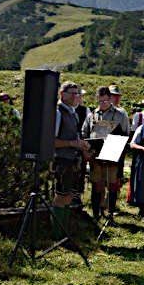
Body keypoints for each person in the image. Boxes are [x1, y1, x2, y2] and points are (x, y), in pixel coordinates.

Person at [82, 86, 130, 220]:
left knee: (112, 185)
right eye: (100, 101)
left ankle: (110, 214)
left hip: (112, 155)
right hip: (95, 156)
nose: (103, 103)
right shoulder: (91, 115)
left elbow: (126, 133)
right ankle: (96, 214)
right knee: (97, 185)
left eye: (105, 100)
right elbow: (84, 133)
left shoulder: (120, 115)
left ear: (110, 99)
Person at [52, 82, 90, 231]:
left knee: (69, 196)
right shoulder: (58, 112)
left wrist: (82, 145)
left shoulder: (73, 113)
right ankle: (57, 232)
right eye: (72, 93)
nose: (76, 96)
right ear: (62, 94)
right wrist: (72, 143)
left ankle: (64, 230)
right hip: (61, 160)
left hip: (72, 160)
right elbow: (51, 141)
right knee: (61, 196)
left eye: (77, 93)